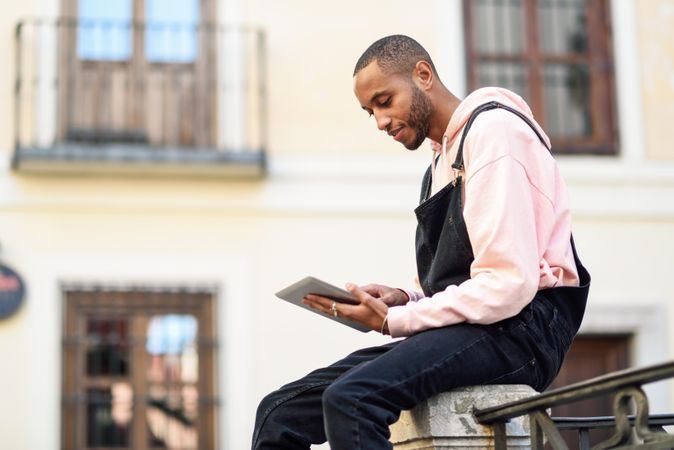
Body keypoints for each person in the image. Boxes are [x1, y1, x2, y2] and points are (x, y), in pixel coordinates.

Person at [252, 34, 590, 449]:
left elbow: (508, 284)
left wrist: (391, 322)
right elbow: (454, 281)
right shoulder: (438, 163)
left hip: (524, 329)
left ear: (423, 75)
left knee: (353, 399)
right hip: (474, 325)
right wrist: (402, 298)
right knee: (278, 412)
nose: (379, 121)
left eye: (384, 100)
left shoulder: (494, 133)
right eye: (369, 111)